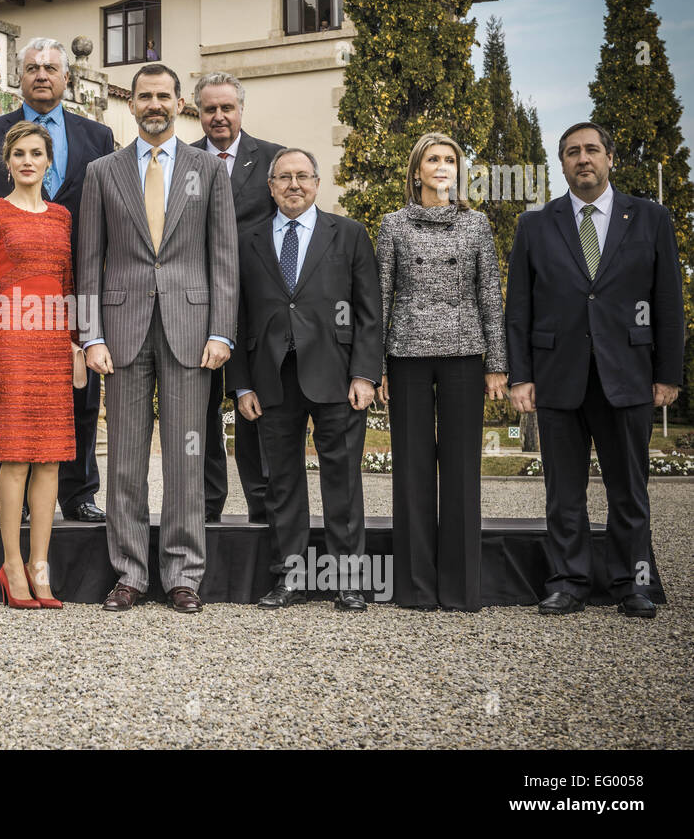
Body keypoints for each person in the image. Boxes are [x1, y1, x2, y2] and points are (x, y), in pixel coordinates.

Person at [77, 63, 238, 614]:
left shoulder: (208, 170)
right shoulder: (103, 172)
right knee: (123, 459)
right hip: (120, 334)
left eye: (164, 96)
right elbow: (88, 265)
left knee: (186, 459)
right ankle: (128, 573)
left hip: (192, 331)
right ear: (132, 104)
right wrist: (89, 336)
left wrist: (222, 329)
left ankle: (183, 575)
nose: (154, 105)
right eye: (144, 96)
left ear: (179, 103)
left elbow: (224, 257)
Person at [507, 122, 683, 619]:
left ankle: (634, 584)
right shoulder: (535, 225)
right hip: (558, 378)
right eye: (571, 152)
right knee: (563, 491)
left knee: (629, 489)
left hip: (627, 376)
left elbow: (667, 300)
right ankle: (568, 581)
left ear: (610, 158)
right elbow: (518, 309)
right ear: (560, 164)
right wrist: (520, 376)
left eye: (591, 150)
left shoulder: (650, 218)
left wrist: (668, 374)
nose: (582, 159)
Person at [0, 37, 114, 524]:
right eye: (32, 68)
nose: (42, 75)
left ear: (67, 78)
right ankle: (25, 506)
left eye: (52, 67)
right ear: (20, 76)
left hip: (78, 279)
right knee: (18, 409)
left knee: (81, 395)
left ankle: (79, 493)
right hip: (16, 298)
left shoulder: (98, 136)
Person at [228, 148, 382, 611]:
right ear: (270, 186)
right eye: (283, 178)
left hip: (337, 376)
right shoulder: (246, 239)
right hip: (270, 378)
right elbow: (235, 317)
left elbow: (369, 313)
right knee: (282, 482)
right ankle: (290, 578)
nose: (293, 185)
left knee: (342, 479)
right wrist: (241, 384)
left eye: (302, 176)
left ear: (317, 183)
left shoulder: (350, 234)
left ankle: (347, 581)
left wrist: (365, 375)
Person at [376, 132, 507, 612]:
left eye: (450, 159)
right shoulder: (392, 224)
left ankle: (459, 588)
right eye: (433, 158)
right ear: (416, 171)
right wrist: (374, 366)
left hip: (463, 352)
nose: (442, 165)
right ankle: (414, 588)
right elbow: (379, 297)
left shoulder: (477, 226)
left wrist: (497, 365)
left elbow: (490, 296)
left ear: (459, 170)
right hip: (406, 353)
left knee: (461, 470)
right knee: (410, 470)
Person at [0, 121, 75, 609]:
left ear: (48, 161)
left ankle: (41, 565)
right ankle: (12, 564)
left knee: (50, 460)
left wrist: (75, 344)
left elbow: (69, 288)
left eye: (37, 153)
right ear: (7, 162)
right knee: (13, 460)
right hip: (10, 346)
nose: (28, 161)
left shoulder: (62, 218)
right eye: (19, 154)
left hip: (53, 347)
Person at [190, 71, 284, 525]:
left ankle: (262, 507)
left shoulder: (271, 158)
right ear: (199, 111)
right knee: (202, 410)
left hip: (256, 307)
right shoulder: (181, 161)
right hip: (196, 306)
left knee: (254, 404)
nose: (219, 116)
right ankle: (207, 506)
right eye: (210, 109)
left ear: (241, 109)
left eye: (227, 107)